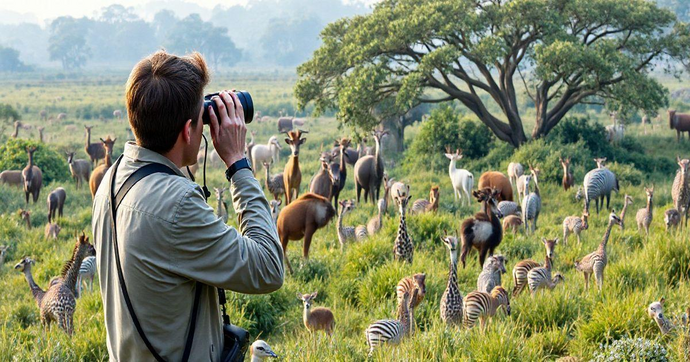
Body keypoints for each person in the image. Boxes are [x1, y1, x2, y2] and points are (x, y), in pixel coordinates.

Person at [92, 50, 284, 361]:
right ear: (187, 130)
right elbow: (268, 268)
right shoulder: (176, 204)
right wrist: (238, 163)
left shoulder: (112, 180)